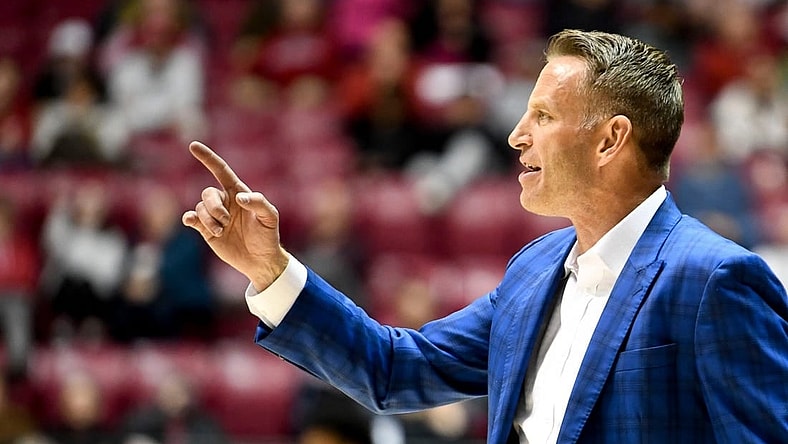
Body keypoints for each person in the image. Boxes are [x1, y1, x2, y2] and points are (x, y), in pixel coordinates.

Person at [182, 29, 788, 443]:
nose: (516, 134)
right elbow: (395, 371)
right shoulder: (532, 270)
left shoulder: (714, 280)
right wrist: (270, 270)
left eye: (543, 116)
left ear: (610, 140)